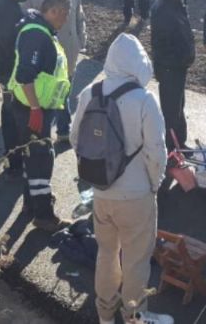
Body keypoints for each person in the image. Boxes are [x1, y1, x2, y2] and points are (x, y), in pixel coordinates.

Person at [69, 34, 171, 324]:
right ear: (140, 63)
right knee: (136, 260)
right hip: (136, 195)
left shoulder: (90, 92)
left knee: (106, 253)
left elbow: (76, 138)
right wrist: (154, 183)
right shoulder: (144, 100)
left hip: (101, 193)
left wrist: (98, 172)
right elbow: (156, 152)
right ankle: (134, 316)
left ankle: (105, 313)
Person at [8, 0, 74, 232]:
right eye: (64, 14)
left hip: (35, 107)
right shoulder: (37, 35)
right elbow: (25, 75)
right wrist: (35, 109)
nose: (65, 19)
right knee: (41, 159)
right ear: (53, 10)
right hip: (31, 108)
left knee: (33, 157)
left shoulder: (42, 30)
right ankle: (43, 215)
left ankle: (31, 204)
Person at [25, 0, 87, 141]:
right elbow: (26, 21)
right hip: (47, 55)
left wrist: (81, 39)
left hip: (70, 50)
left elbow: (79, 16)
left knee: (65, 89)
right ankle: (54, 131)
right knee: (54, 92)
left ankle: (61, 130)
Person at [150, 0, 197, 151]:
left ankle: (179, 144)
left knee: (178, 107)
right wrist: (181, 60)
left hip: (177, 67)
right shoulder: (164, 9)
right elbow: (163, 45)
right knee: (171, 112)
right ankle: (172, 150)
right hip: (171, 68)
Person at [0, 0, 31, 176]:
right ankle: (14, 160)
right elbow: (10, 43)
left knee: (11, 113)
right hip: (10, 71)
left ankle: (14, 158)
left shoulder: (12, 4)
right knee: (12, 116)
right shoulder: (7, 9)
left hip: (8, 68)